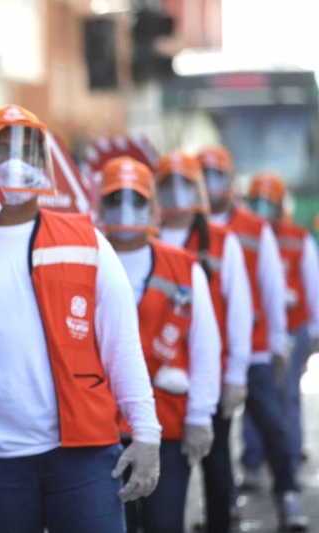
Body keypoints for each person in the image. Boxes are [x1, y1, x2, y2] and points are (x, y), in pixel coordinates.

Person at [0, 105, 161, 533]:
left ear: (45, 164)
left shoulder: (85, 240)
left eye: (28, 152)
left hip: (83, 458)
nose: (13, 162)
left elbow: (121, 346)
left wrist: (146, 433)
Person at [98, 156, 221, 533]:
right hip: (99, 429)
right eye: (115, 198)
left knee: (163, 523)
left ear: (152, 206)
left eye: (135, 199)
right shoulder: (84, 257)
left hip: (168, 424)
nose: (125, 209)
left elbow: (205, 346)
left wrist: (201, 414)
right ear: (100, 203)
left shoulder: (183, 266)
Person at [198, 146, 308, 530]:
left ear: (230, 181)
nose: (210, 184)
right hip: (210, 355)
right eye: (203, 175)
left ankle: (288, 494)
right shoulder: (188, 228)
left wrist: (278, 343)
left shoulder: (253, 229)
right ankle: (222, 510)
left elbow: (272, 289)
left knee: (273, 425)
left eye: (217, 175)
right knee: (216, 442)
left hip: (255, 349)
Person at [154, 150, 252, 533]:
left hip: (210, 374)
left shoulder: (222, 240)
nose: (176, 192)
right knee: (165, 469)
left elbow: (240, 309)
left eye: (184, 182)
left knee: (216, 463)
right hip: (161, 378)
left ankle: (219, 524)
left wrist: (236, 375)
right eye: (167, 184)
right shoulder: (147, 236)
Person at [244, 171, 319, 475]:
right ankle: (253, 456)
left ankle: (288, 450)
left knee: (287, 393)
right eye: (257, 203)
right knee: (255, 397)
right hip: (256, 331)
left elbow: (312, 284)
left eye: (268, 203)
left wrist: (314, 330)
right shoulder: (242, 237)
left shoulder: (298, 237)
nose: (262, 210)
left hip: (293, 326)